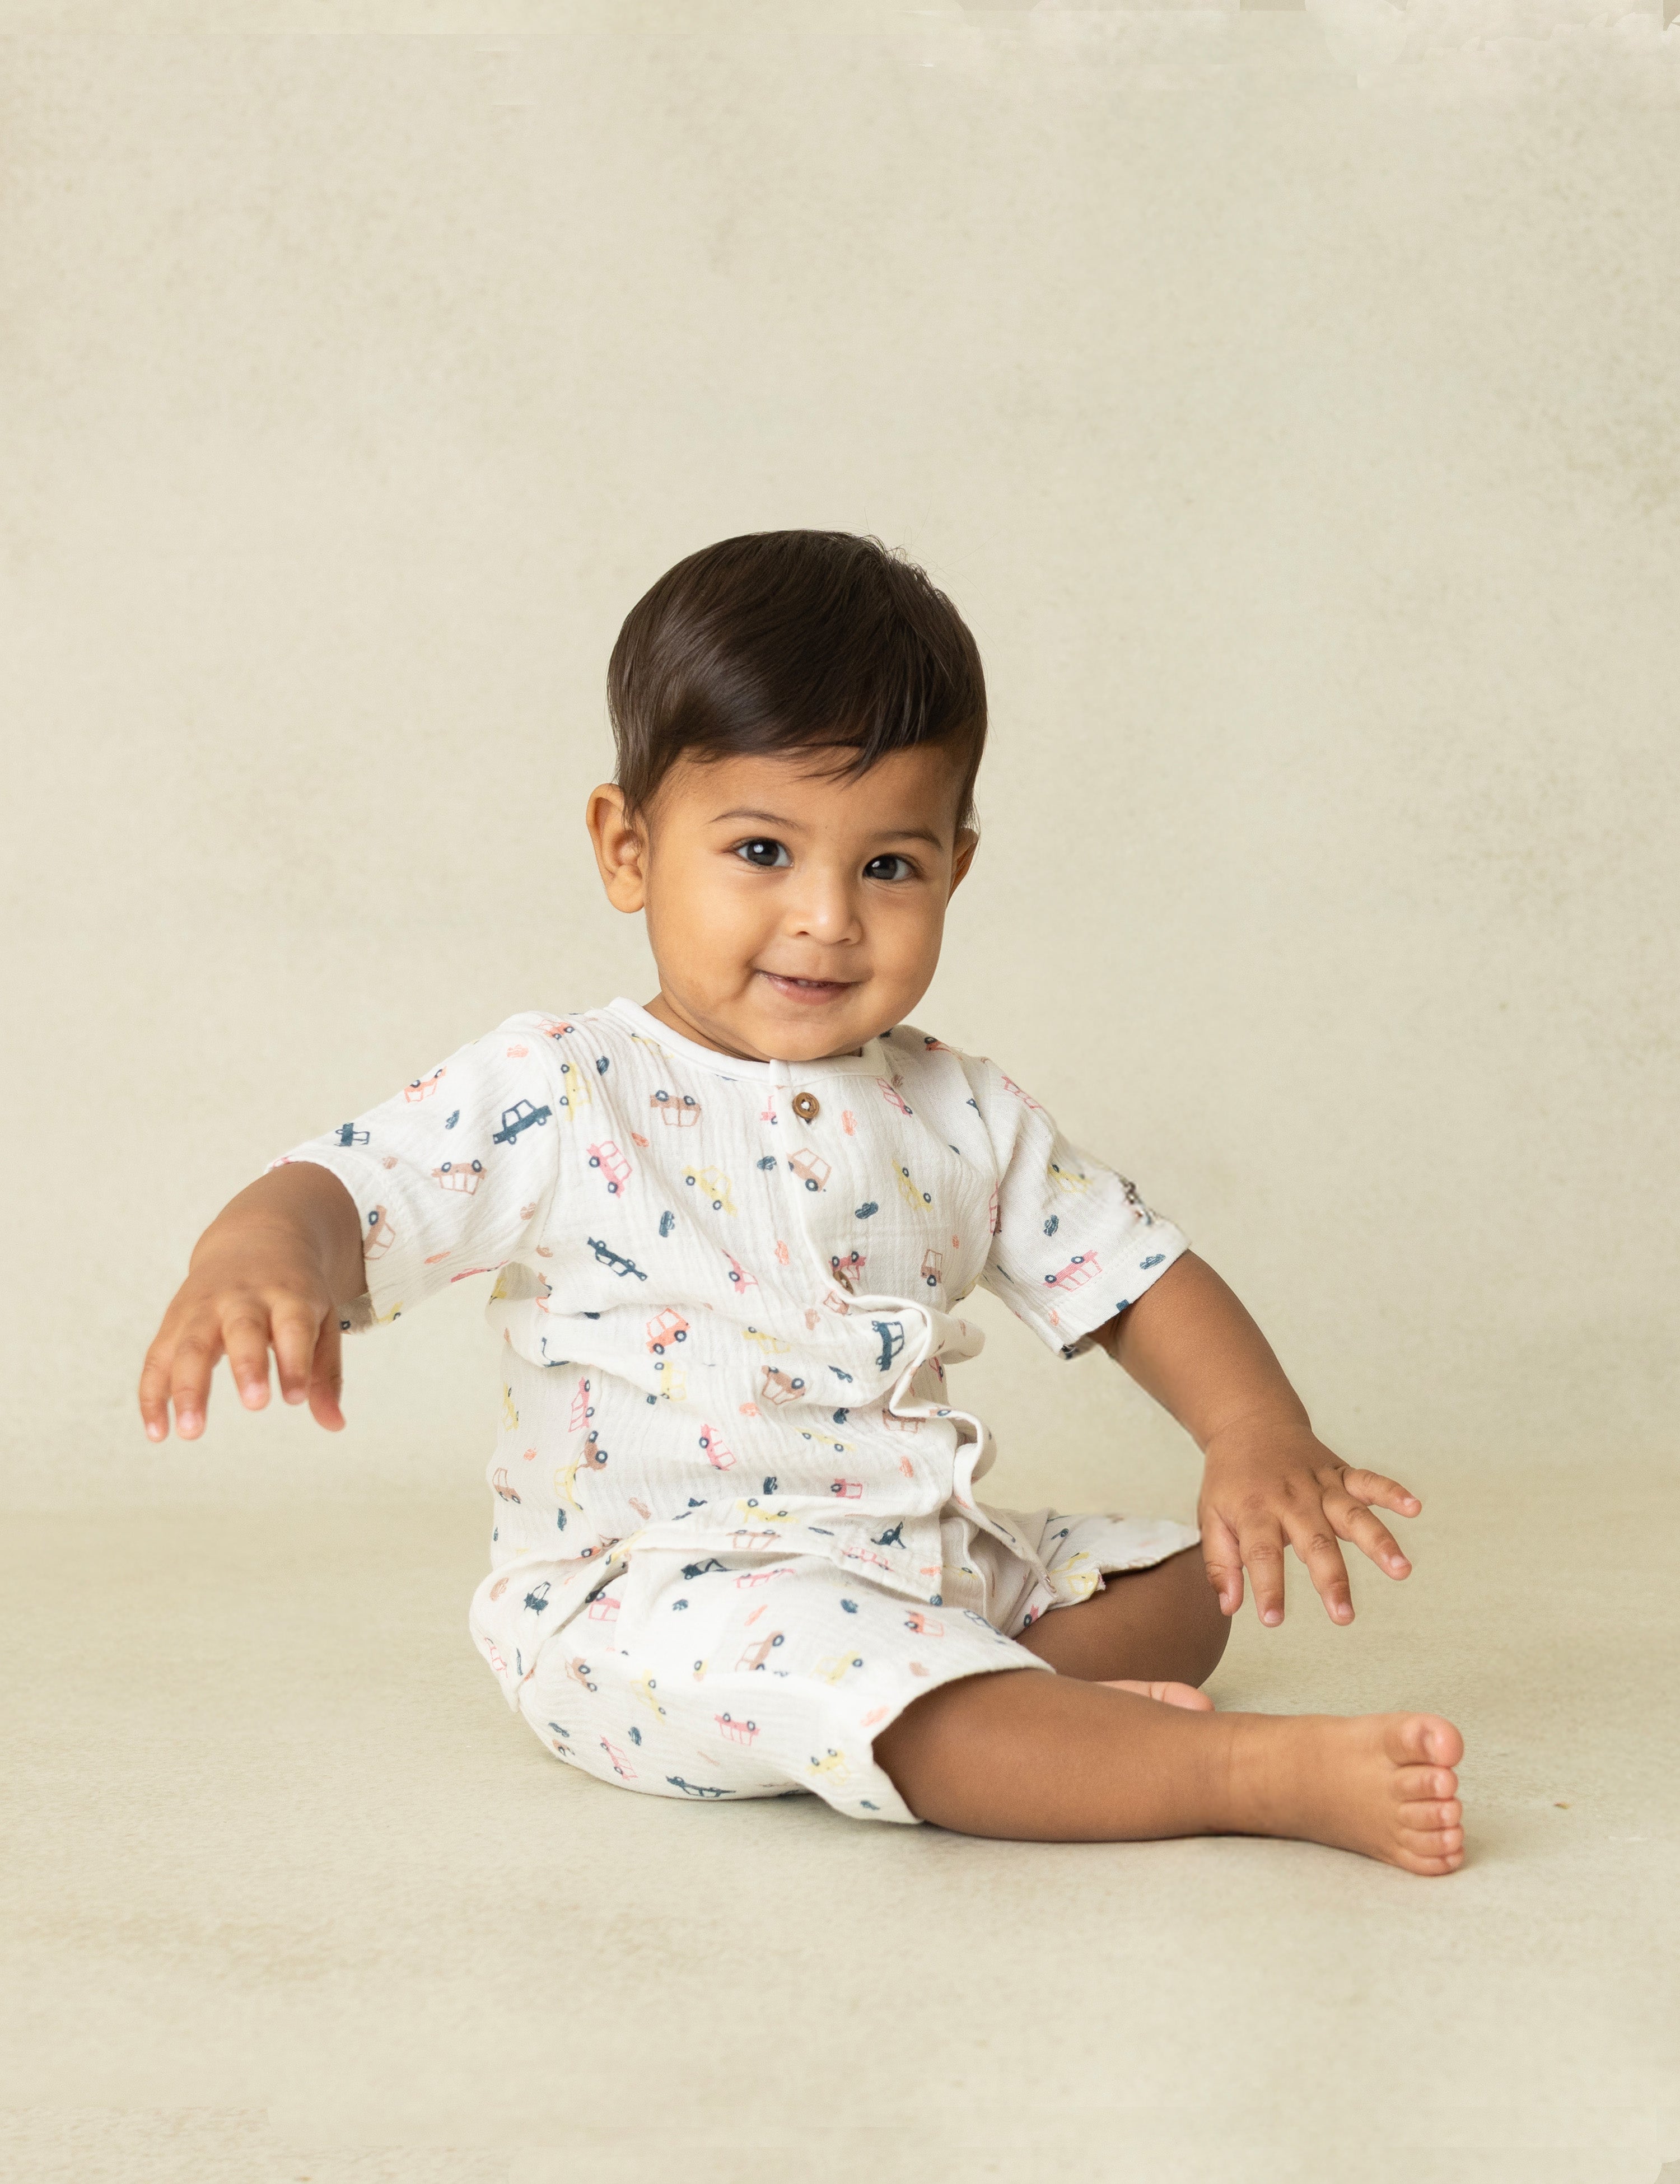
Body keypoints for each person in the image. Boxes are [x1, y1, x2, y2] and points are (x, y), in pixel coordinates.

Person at [138, 529, 1464, 1872]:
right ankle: (1229, 1771)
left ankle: (1010, 1717)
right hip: (655, 1604)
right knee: (849, 1665)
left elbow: (1135, 1278)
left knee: (1188, 1586)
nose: (829, 918)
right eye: (763, 850)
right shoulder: (564, 1086)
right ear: (629, 849)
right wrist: (262, 1252)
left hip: (915, 1553)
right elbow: (348, 1185)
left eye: (889, 867)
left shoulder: (956, 1107)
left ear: (955, 867)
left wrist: (1253, 1430)